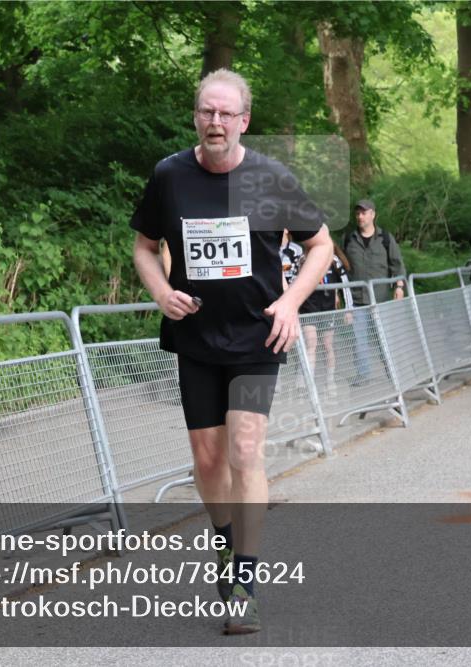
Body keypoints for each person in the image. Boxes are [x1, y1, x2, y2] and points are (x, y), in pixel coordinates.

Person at [130, 68, 332, 634]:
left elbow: (320, 245)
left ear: (244, 121)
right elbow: (145, 248)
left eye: (226, 113)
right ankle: (223, 545)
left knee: (245, 450)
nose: (215, 121)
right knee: (208, 459)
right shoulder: (170, 175)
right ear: (196, 116)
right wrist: (162, 292)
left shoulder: (270, 177)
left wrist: (291, 303)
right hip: (195, 338)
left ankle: (244, 577)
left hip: (255, 338)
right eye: (206, 111)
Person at [343, 199, 406, 386]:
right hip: (357, 299)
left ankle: (393, 371)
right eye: (358, 213)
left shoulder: (385, 238)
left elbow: (397, 264)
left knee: (384, 339)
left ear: (373, 214)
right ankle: (363, 375)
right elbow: (344, 271)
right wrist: (345, 302)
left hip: (381, 299)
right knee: (359, 342)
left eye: (364, 213)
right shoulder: (349, 239)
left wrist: (400, 286)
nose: (360, 216)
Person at [294, 243, 352, 397]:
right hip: (309, 308)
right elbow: (293, 283)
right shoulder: (302, 259)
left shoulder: (334, 260)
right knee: (311, 344)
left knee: (327, 346)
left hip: (328, 309)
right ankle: (308, 384)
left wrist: (348, 309)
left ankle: (330, 381)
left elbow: (345, 285)